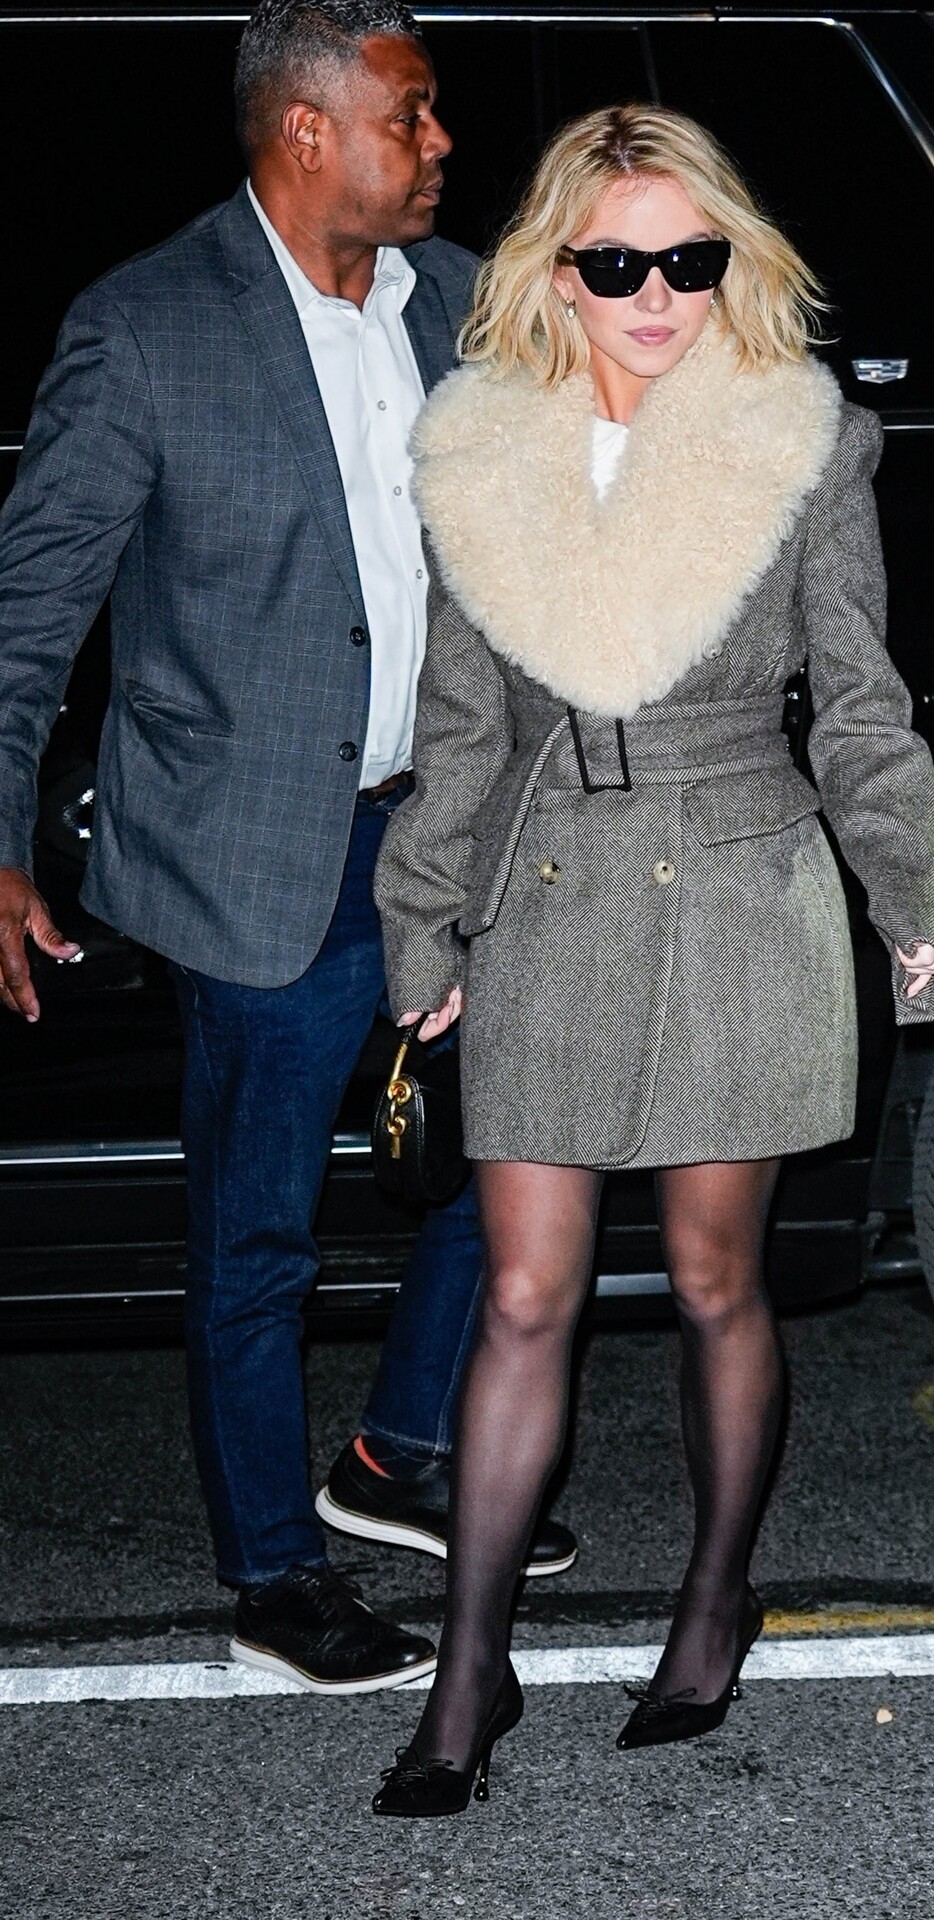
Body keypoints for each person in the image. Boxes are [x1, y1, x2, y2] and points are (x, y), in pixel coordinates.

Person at [369, 103, 934, 1815]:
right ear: (555, 271)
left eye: (689, 261)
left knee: (715, 1285)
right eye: (617, 264)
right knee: (523, 1294)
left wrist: (911, 899)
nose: (656, 297)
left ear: (728, 262)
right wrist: (426, 921)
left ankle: (714, 1599)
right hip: (552, 891)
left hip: (743, 889)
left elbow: (859, 701)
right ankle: (470, 1668)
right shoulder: (479, 452)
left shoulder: (800, 442)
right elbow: (459, 729)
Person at [0, 0, 574, 1697]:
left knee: (512, 1157)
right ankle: (271, 1567)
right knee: (257, 1239)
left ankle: (398, 1452)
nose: (443, 143)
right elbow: (30, 616)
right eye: (414, 114)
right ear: (307, 130)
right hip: (257, 854)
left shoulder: (462, 301)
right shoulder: (146, 328)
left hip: (447, 833)